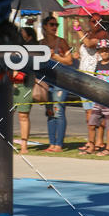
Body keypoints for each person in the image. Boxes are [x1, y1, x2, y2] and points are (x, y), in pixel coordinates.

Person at [40, 15, 73, 152]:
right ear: (45, 27)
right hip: (47, 81)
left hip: (60, 81)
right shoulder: (41, 44)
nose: (54, 27)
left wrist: (56, 56)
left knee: (59, 112)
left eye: (56, 25)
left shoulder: (62, 42)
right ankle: (51, 143)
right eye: (51, 24)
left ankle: (59, 144)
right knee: (50, 112)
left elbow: (69, 61)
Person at [73, 14, 105, 152]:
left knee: (98, 112)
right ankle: (90, 141)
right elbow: (81, 49)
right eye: (93, 21)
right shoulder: (87, 34)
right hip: (83, 77)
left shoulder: (103, 34)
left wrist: (78, 29)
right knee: (88, 113)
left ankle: (99, 141)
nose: (96, 23)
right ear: (89, 22)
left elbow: (89, 44)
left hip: (96, 78)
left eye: (98, 21)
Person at [13, 24, 37, 154]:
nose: (20, 34)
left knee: (23, 115)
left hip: (25, 84)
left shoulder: (32, 48)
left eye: (22, 32)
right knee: (6, 115)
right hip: (10, 85)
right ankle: (4, 142)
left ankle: (24, 146)